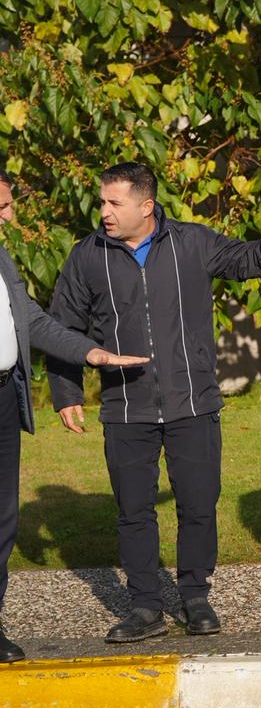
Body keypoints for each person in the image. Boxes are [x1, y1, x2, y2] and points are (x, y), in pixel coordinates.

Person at [47, 162, 261, 643]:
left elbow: (251, 261)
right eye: (102, 201)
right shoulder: (87, 256)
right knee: (133, 510)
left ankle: (196, 596)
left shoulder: (193, 242)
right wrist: (67, 390)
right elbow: (62, 325)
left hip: (194, 402)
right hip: (125, 408)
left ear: (146, 205)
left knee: (199, 505)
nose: (105, 212)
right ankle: (145, 607)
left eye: (115, 203)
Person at [0, 171, 150, 662]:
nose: (10, 214)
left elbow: (33, 320)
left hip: (3, 397)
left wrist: (93, 355)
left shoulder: (1, 258)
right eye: (1, 205)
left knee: (3, 518)